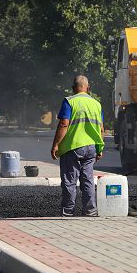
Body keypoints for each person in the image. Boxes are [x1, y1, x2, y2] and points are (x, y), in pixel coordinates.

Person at [51, 75, 104, 217]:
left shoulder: (69, 101)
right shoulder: (96, 104)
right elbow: (101, 128)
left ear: (73, 88)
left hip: (72, 147)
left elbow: (64, 123)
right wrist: (100, 148)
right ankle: (90, 211)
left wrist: (56, 144)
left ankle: (68, 211)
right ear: (88, 87)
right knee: (87, 179)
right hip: (91, 147)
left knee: (70, 180)